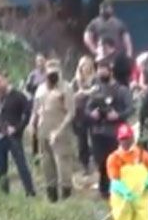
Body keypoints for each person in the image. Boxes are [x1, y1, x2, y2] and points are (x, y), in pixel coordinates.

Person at [85, 59, 134, 199]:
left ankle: (120, 188)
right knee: (101, 162)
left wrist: (118, 115)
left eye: (103, 70)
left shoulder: (122, 90)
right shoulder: (96, 90)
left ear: (110, 71)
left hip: (115, 132)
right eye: (98, 70)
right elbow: (88, 108)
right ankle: (104, 190)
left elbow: (130, 108)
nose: (100, 73)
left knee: (117, 161)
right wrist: (91, 113)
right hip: (98, 131)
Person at [31, 59, 76, 202]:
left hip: (60, 132)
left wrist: (59, 130)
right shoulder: (40, 89)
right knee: (47, 164)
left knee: (63, 165)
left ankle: (66, 196)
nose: (52, 75)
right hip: (43, 131)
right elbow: (36, 109)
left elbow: (71, 112)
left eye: (55, 72)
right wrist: (33, 123)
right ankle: (52, 196)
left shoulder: (65, 88)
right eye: (49, 72)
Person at [0, 74, 36, 196]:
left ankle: (30, 192)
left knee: (21, 165)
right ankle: (5, 194)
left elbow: (27, 113)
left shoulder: (18, 96)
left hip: (13, 136)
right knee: (1, 168)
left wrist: (17, 128)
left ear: (5, 81)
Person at [71, 55, 97, 174]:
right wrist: (83, 93)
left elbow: (97, 92)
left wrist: (86, 92)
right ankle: (85, 164)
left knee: (95, 137)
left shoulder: (95, 79)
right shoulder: (75, 81)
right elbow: (71, 96)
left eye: (87, 64)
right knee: (82, 140)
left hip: (93, 111)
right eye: (83, 65)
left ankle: (97, 160)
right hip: (79, 112)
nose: (85, 67)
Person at [25, 54, 47, 157]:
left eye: (42, 61)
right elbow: (27, 88)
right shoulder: (33, 75)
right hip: (36, 103)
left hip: (48, 103)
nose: (40, 63)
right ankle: (36, 152)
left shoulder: (49, 73)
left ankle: (47, 150)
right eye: (38, 61)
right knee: (35, 128)